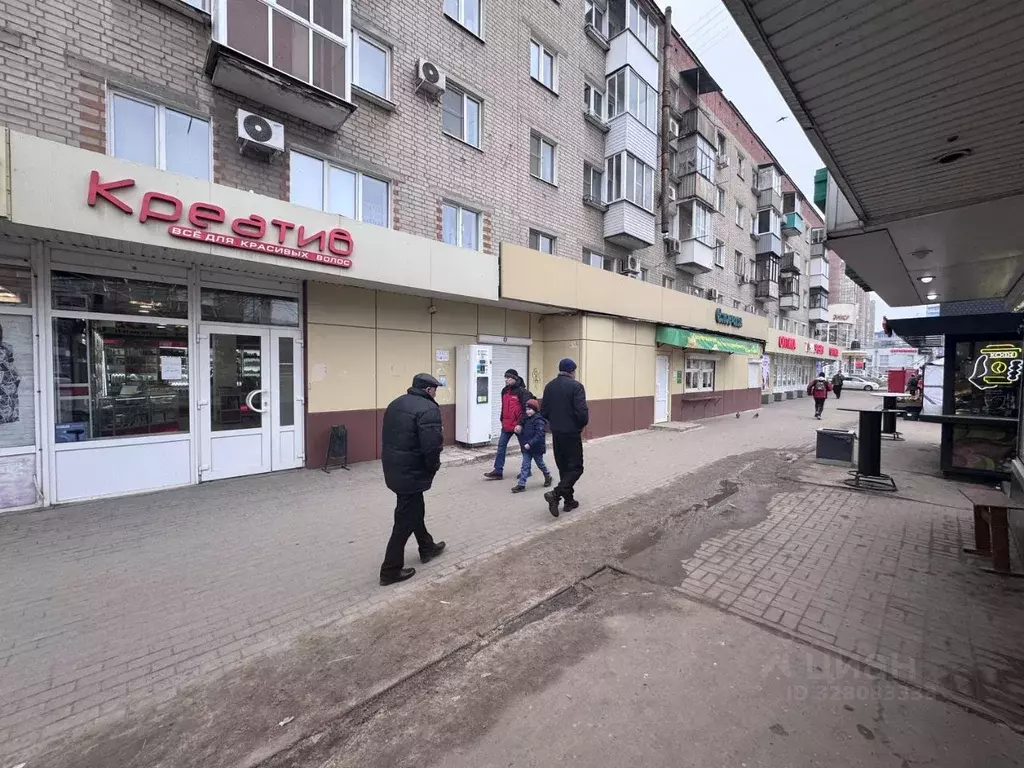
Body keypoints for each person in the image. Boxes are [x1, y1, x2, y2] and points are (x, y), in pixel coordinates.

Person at [379, 373, 447, 586]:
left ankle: (427, 547)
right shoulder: (428, 409)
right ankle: (390, 571)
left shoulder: (396, 403)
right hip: (412, 471)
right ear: (428, 390)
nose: (436, 392)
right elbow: (432, 447)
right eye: (435, 389)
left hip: (394, 467)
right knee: (404, 520)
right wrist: (433, 468)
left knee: (414, 508)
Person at [541, 358, 589, 517]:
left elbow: (544, 412)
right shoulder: (576, 386)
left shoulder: (549, 386)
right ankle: (555, 494)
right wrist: (581, 424)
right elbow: (582, 413)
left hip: (557, 434)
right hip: (572, 434)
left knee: (563, 467)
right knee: (576, 468)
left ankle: (569, 501)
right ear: (572, 371)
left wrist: (554, 423)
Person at [483, 369, 532, 481]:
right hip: (506, 425)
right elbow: (503, 407)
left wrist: (520, 424)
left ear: (514, 378)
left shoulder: (522, 392)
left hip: (519, 426)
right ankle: (498, 471)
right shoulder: (504, 391)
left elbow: (526, 410)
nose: (505, 380)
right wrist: (501, 419)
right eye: (505, 377)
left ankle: (527, 470)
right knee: (501, 447)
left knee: (524, 448)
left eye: (508, 377)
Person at [511, 399, 552, 493]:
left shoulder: (539, 421)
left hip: (536, 448)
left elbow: (539, 435)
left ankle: (547, 475)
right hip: (527, 448)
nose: (528, 411)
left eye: (530, 409)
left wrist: (530, 443)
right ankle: (521, 485)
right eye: (527, 409)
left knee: (540, 464)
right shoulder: (526, 419)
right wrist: (518, 432)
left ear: (535, 409)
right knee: (525, 466)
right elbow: (524, 433)